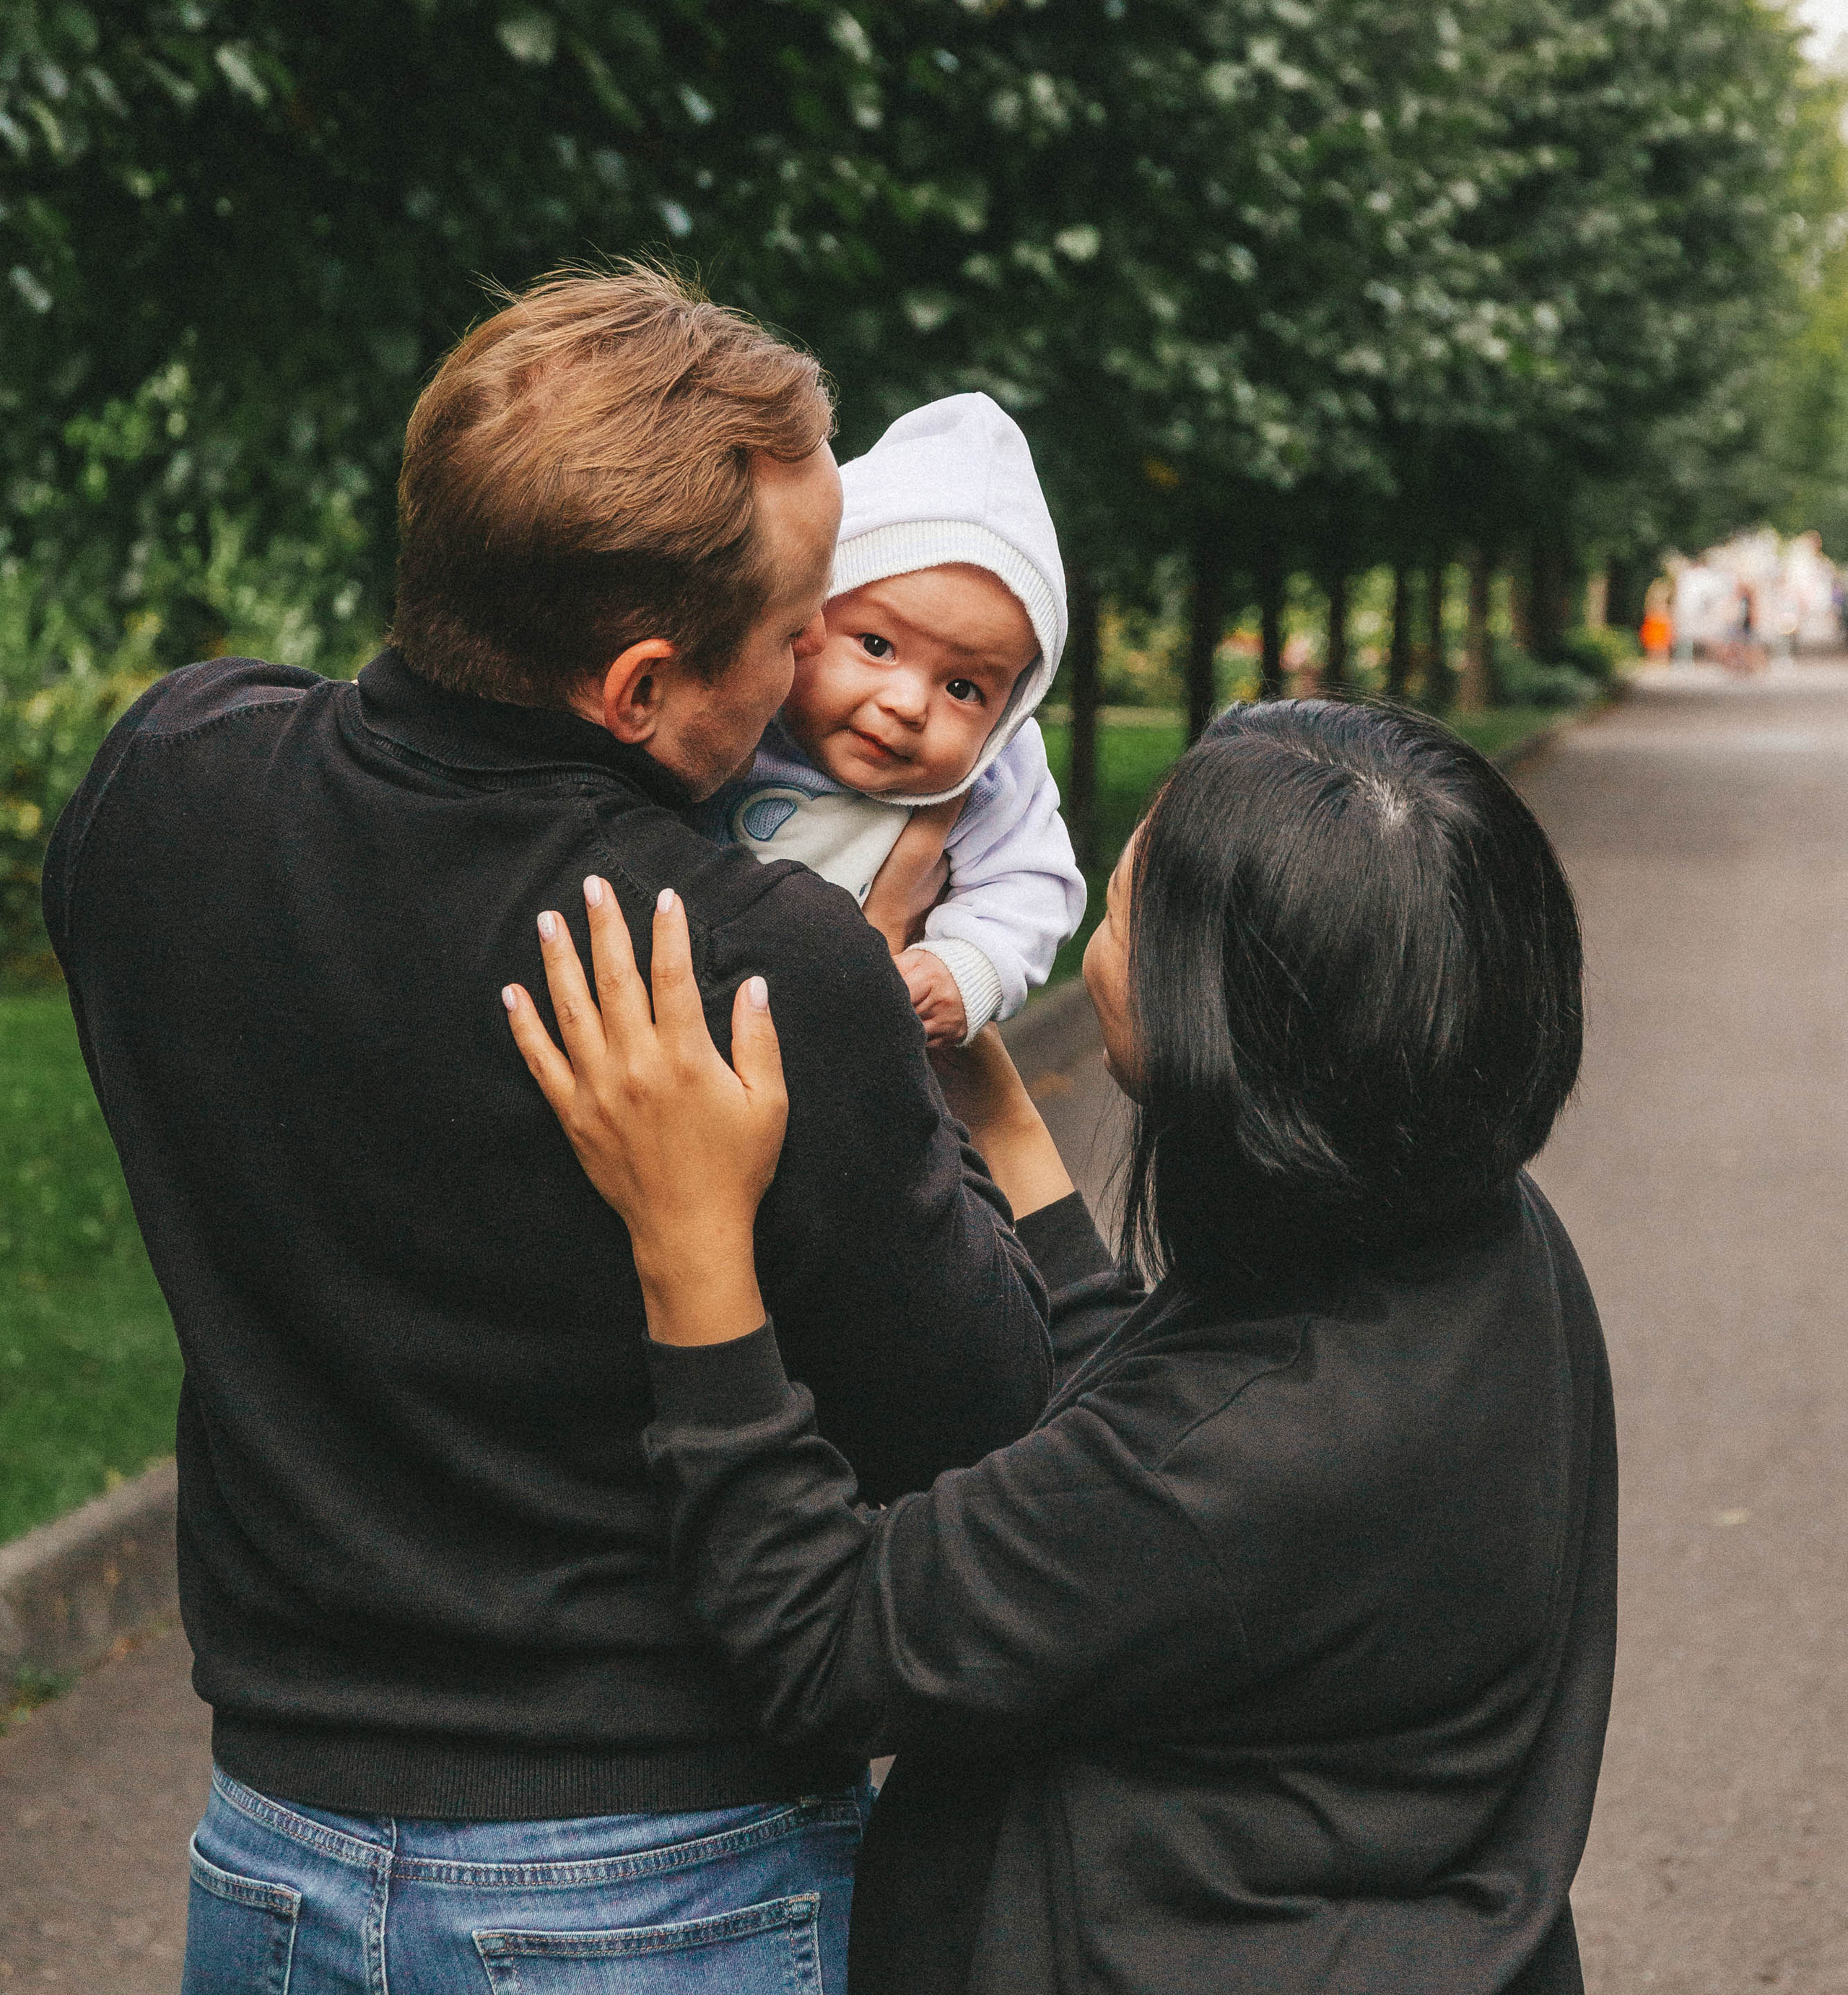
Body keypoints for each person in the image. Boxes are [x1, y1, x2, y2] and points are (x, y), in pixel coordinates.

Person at [42, 266, 1053, 1995]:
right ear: (644, 683)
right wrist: (884, 1018)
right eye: (806, 618)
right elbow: (986, 1424)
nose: (827, 659)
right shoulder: (758, 966)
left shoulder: (165, 793)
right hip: (657, 1880)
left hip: (273, 1844)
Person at [507, 695, 1618, 1994]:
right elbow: (1142, 1433)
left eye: (1132, 892)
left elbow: (824, 1639)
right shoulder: (1472, 1228)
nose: (1103, 904)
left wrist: (688, 1231)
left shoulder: (1241, 1460)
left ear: (1215, 1024)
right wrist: (983, 1096)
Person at [704, 393, 1086, 1048]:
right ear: (806, 612)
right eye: (876, 646)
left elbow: (1033, 885)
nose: (908, 706)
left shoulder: (994, 777)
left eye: (964, 688)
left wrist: (965, 966)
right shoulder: (738, 719)